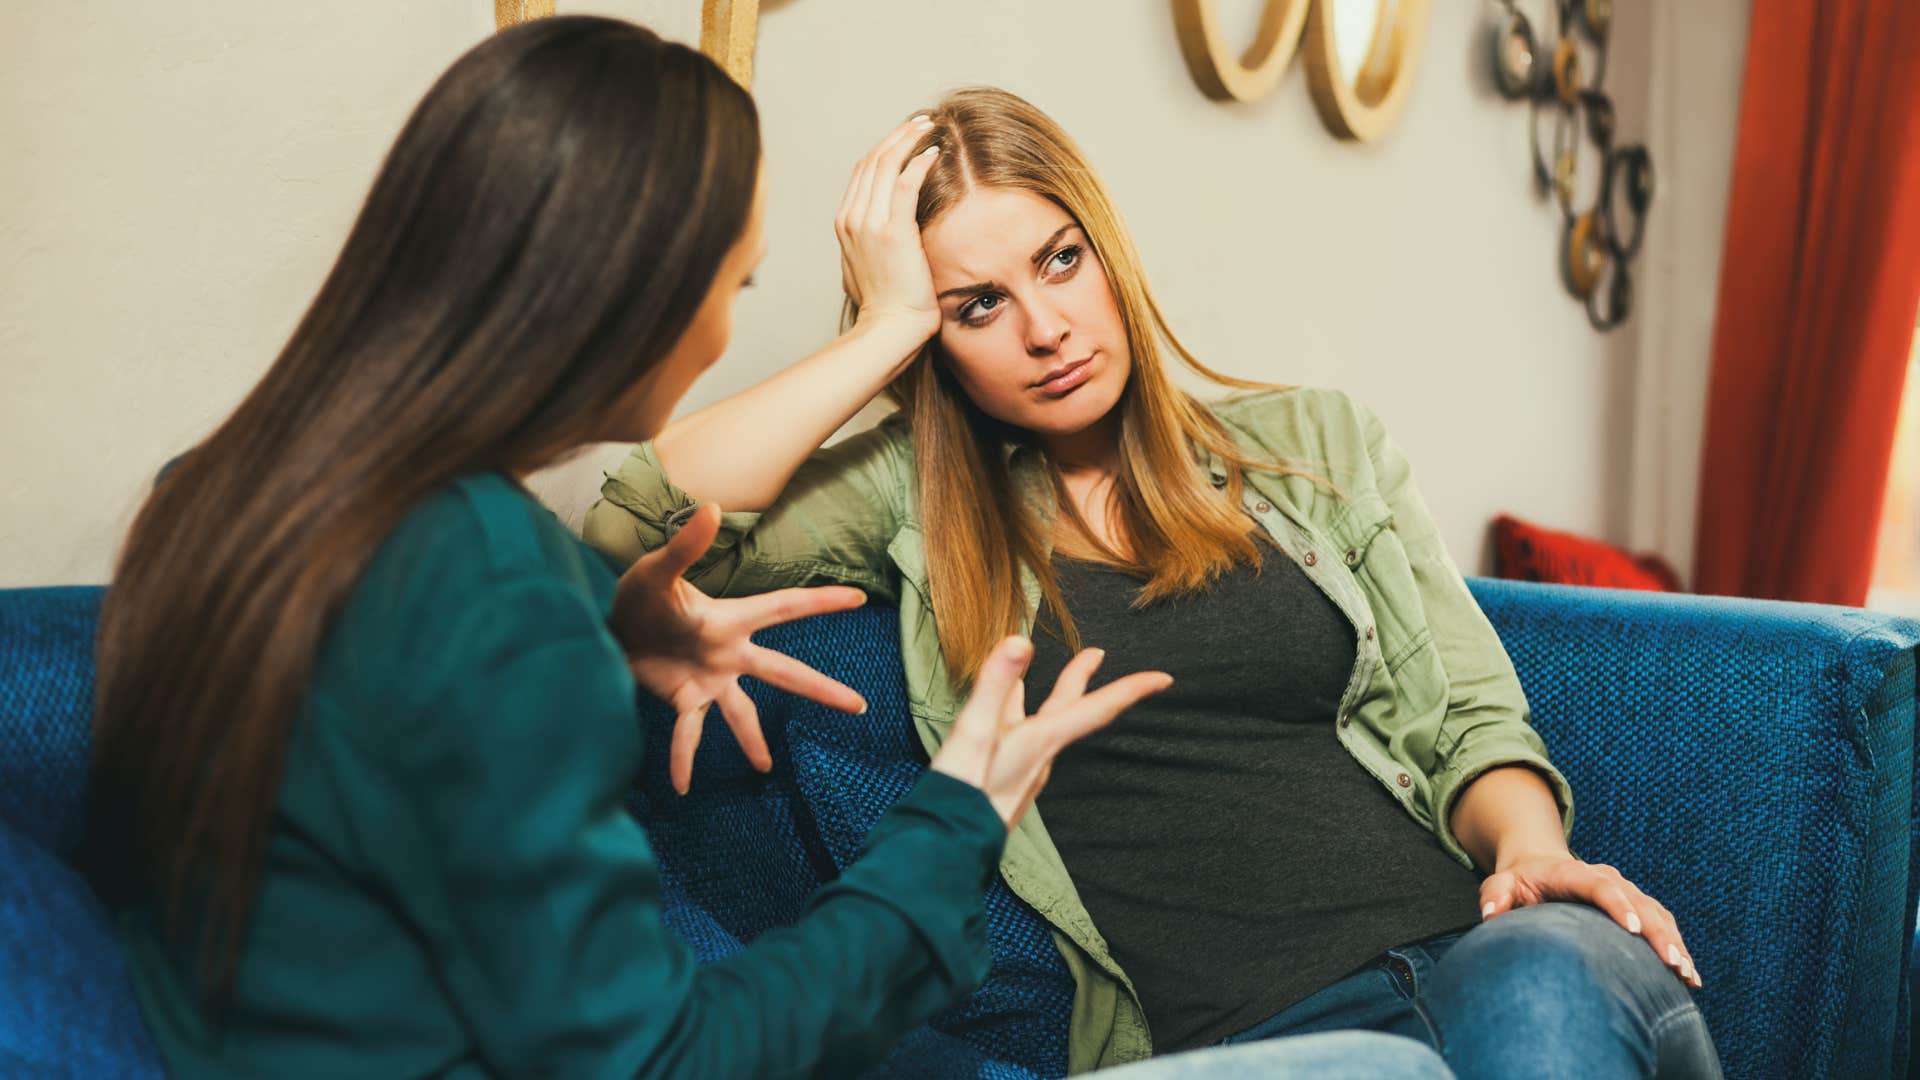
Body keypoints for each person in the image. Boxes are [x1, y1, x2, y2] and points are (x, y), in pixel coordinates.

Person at [80, 20, 1187, 1078]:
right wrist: (955, 823)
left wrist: (604, 641)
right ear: (641, 295)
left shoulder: (216, 494)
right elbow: (664, 1061)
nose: (720, 337)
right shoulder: (494, 585)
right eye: (734, 286)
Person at [585, 87, 1723, 1077]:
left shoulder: (1315, 444)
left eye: (1058, 260)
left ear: (1106, 250)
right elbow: (635, 513)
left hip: (1494, 960)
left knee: (1532, 989)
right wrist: (886, 324)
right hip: (1263, 1048)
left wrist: (1530, 854)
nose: (1045, 327)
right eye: (976, 306)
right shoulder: (920, 508)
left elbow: (1470, 719)